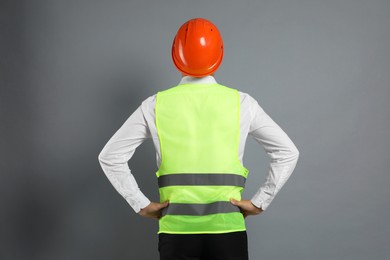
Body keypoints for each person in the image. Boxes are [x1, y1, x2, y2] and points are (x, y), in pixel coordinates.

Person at [98, 17, 299, 260]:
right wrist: (259, 202)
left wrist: (140, 203)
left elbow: (110, 157)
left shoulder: (155, 105)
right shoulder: (242, 103)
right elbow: (287, 152)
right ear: (219, 55)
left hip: (176, 232)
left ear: (176, 56)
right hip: (228, 230)